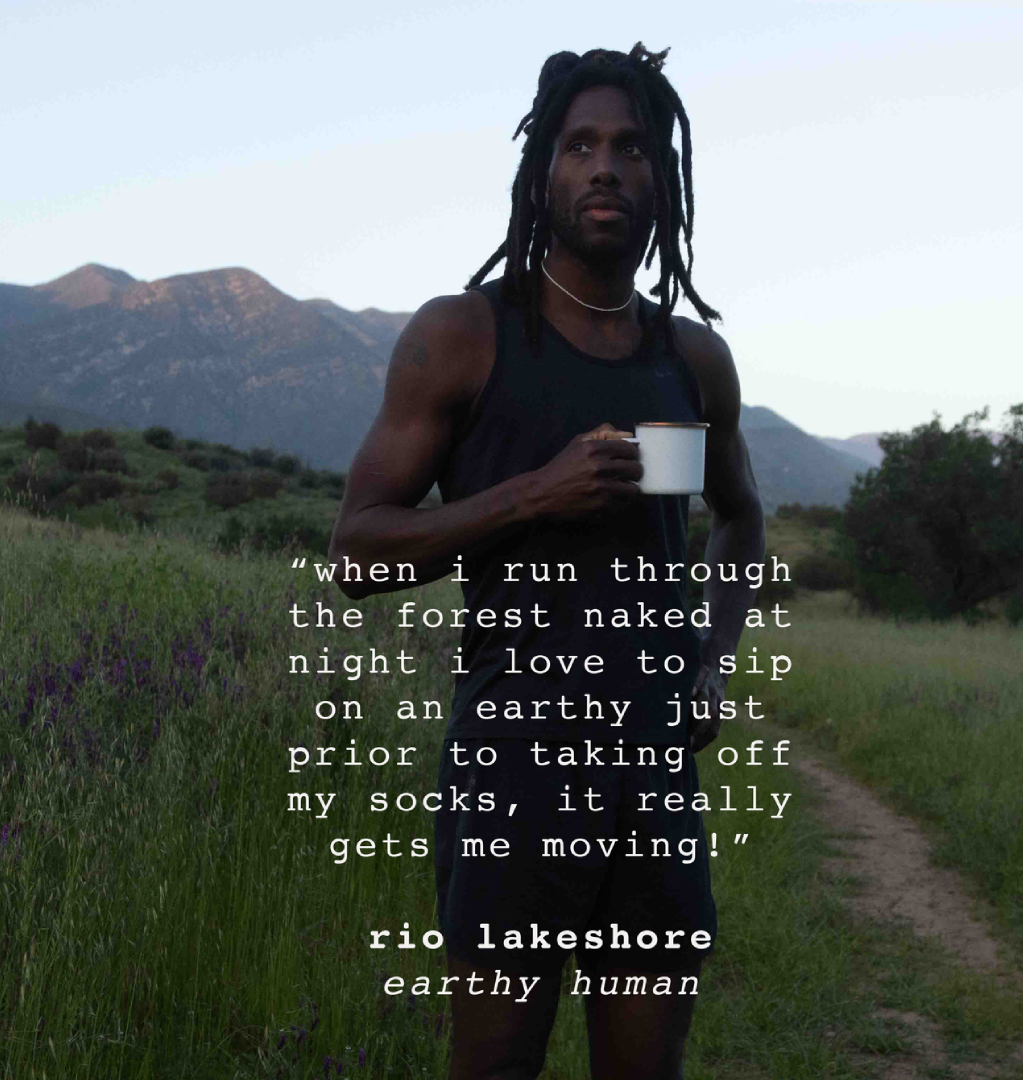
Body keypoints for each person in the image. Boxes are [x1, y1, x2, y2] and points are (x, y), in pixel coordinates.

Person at [329, 42, 765, 1080]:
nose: (605, 166)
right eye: (580, 146)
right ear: (544, 175)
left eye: (631, 147)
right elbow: (356, 550)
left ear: (665, 182)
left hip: (653, 772)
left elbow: (741, 515)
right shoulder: (467, 338)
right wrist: (537, 491)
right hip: (515, 770)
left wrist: (711, 654)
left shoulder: (689, 362)